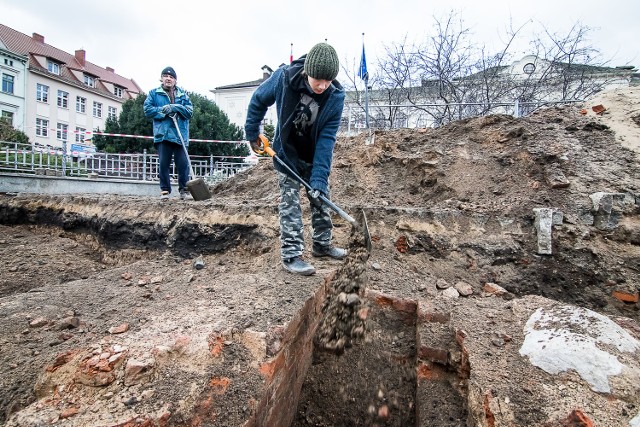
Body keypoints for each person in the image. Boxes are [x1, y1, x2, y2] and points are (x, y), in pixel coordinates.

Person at [245, 42, 347, 276]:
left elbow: (327, 138)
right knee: (290, 201)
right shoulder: (284, 78)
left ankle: (322, 245)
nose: (322, 86)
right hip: (287, 153)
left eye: (327, 81)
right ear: (307, 72)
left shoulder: (335, 97)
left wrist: (320, 177)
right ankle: (291, 255)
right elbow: (259, 99)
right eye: (317, 80)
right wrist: (252, 132)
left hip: (313, 154)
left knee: (320, 195)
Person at [143, 66, 194, 200]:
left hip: (180, 135)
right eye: (165, 76)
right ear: (161, 78)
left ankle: (184, 190)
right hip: (163, 135)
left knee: (183, 164)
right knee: (163, 164)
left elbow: (189, 112)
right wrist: (163, 111)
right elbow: (148, 110)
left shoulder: (183, 95)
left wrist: (174, 107)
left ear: (175, 80)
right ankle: (165, 191)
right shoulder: (154, 93)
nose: (168, 78)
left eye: (171, 77)